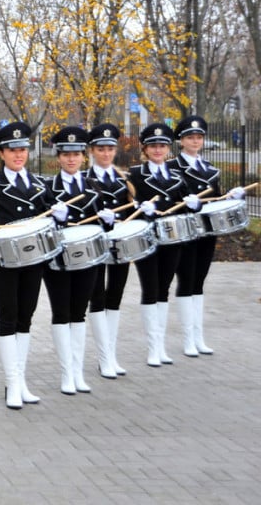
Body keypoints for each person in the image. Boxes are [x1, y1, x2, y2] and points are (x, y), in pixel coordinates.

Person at [0, 121, 61, 409]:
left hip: (33, 259)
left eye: (23, 150)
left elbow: (52, 215)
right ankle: (12, 383)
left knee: (26, 318)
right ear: (2, 153)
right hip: (5, 260)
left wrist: (59, 213)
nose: (19, 155)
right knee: (8, 317)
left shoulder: (39, 183)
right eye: (12, 150)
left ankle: (21, 381)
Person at [169, 116, 245, 358]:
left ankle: (199, 336)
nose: (195, 141)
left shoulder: (210, 169)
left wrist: (230, 198)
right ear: (181, 141)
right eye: (190, 137)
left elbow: (217, 201)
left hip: (207, 230)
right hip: (186, 232)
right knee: (186, 280)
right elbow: (169, 203)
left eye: (199, 137)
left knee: (199, 283)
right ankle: (188, 338)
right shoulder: (172, 168)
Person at [126, 122, 200, 368]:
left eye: (162, 146)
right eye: (153, 146)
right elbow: (127, 204)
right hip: (147, 239)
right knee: (150, 288)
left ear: (168, 148)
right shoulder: (135, 175)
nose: (158, 150)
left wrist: (193, 203)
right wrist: (139, 207)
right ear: (145, 149)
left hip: (172, 238)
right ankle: (152, 347)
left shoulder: (178, 175)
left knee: (164, 289)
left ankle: (161, 345)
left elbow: (189, 203)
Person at [41, 126, 106, 395]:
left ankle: (78, 373)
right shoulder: (46, 188)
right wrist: (50, 215)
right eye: (66, 154)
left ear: (84, 156)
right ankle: (66, 374)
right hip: (58, 257)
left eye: (77, 154)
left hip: (87, 257)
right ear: (58, 156)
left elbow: (104, 224)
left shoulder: (94, 187)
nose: (71, 159)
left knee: (79, 313)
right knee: (62, 312)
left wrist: (107, 220)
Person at [85, 123, 132, 379]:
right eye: (101, 149)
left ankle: (111, 355)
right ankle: (103, 358)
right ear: (92, 151)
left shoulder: (124, 180)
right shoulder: (84, 180)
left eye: (110, 149)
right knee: (98, 299)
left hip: (118, 246)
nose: (105, 154)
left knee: (115, 297)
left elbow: (129, 212)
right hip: (94, 246)